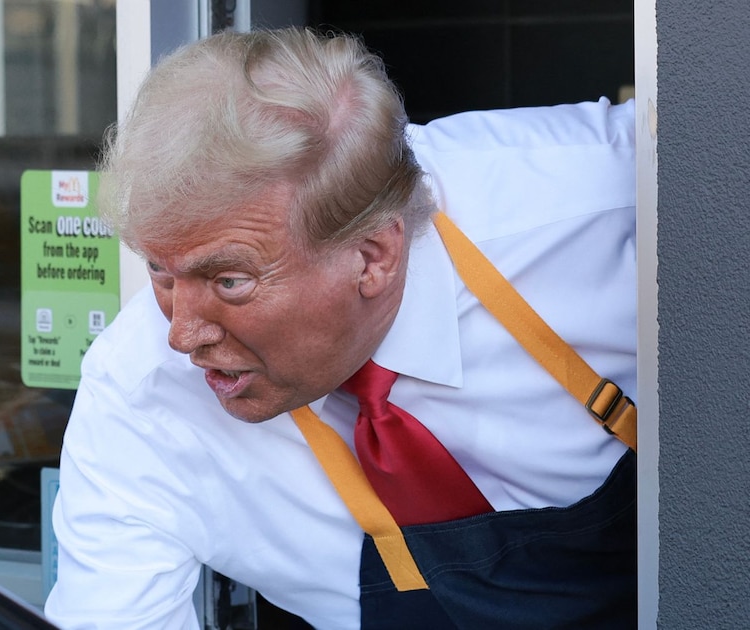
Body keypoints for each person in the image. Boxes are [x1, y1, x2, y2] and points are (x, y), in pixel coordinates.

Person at [45, 26, 637, 630]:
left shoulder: (606, 193)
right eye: (160, 272)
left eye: (229, 281)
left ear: (372, 256)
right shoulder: (138, 395)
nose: (182, 336)